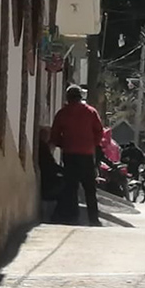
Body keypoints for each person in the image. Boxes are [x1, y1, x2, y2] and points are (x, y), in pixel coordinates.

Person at [49, 85, 105, 226]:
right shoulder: (91, 112)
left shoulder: (62, 113)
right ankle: (94, 219)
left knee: (71, 187)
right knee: (90, 189)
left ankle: (72, 217)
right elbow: (99, 131)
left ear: (68, 98)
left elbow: (55, 135)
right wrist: (92, 144)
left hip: (70, 154)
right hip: (86, 155)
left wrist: (63, 144)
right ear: (81, 97)